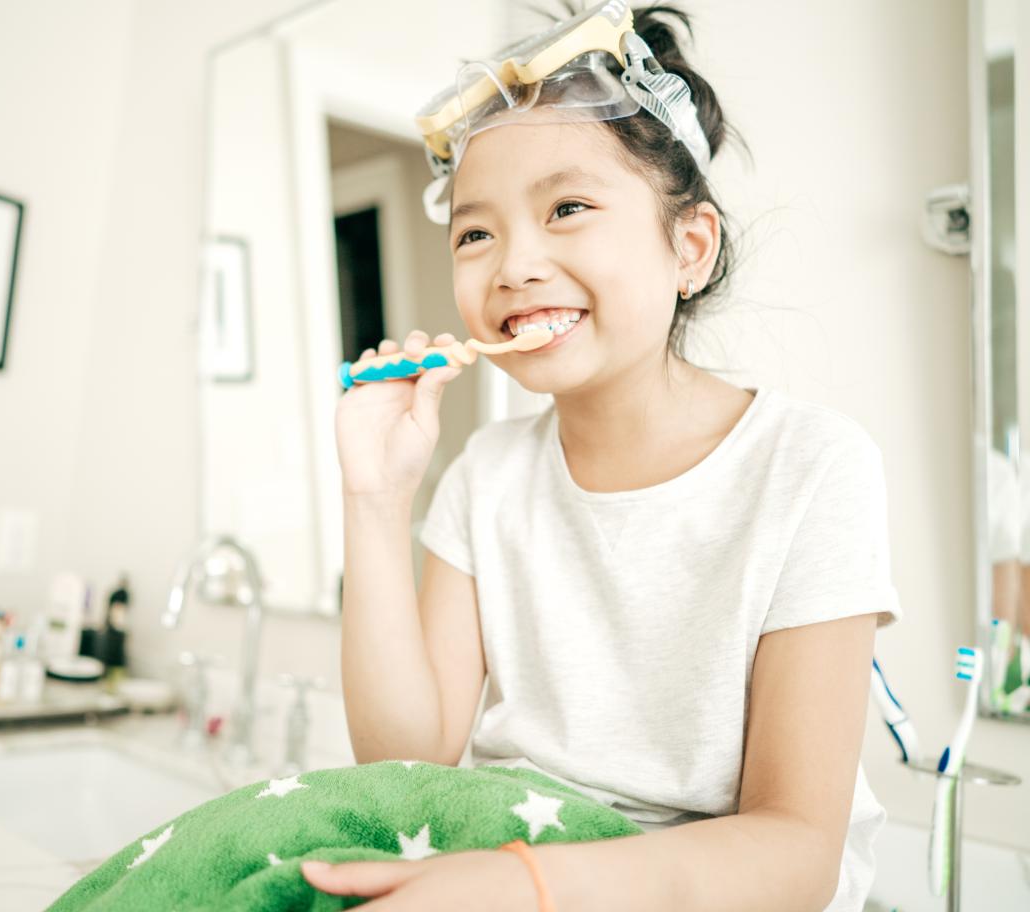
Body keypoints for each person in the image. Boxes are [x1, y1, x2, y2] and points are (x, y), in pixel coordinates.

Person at [316, 2, 902, 910]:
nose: (512, 265)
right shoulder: (486, 475)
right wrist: (374, 496)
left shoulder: (813, 468)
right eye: (475, 232)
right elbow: (406, 764)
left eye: (569, 208)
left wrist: (522, 887)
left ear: (690, 248)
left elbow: (796, 855)